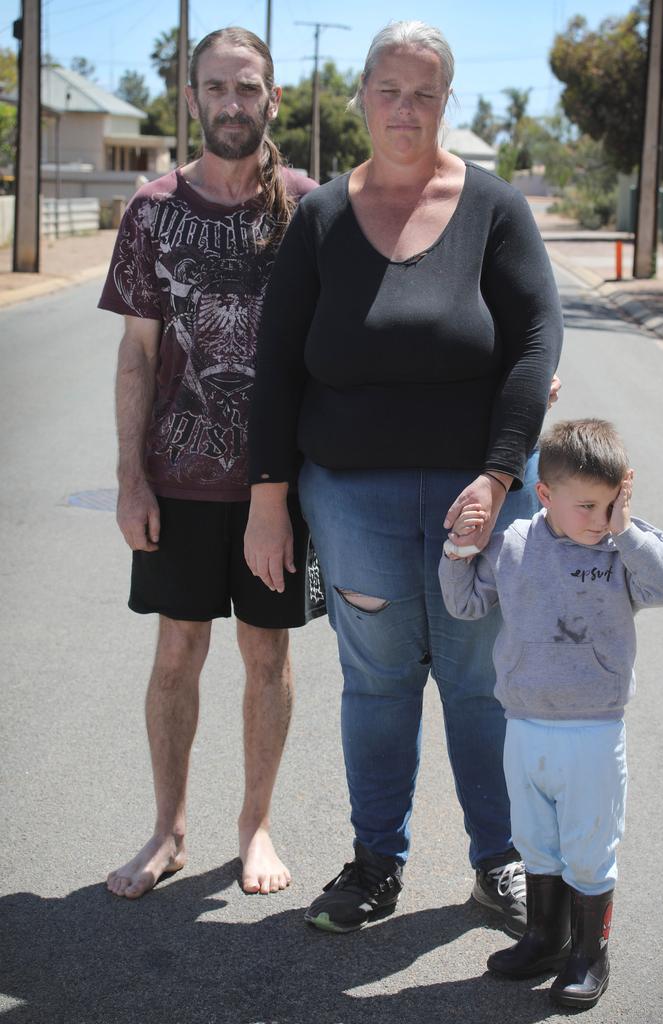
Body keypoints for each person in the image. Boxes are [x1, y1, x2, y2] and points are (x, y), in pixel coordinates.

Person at [244, 20, 563, 934]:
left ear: (446, 103)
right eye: (389, 89)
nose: (405, 108)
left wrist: (502, 476)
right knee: (378, 684)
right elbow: (277, 364)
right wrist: (269, 501)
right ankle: (375, 862)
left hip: (481, 501)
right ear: (361, 99)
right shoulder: (322, 219)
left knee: (479, 683)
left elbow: (537, 342)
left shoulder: (495, 207)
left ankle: (497, 862)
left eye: (424, 92)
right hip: (353, 500)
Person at [98, 28, 320, 899]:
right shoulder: (152, 209)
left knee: (267, 655)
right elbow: (137, 358)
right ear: (192, 99)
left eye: (249, 88)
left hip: (280, 485)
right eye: (217, 88)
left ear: (273, 99)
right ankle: (167, 829)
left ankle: (255, 824)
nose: (233, 103)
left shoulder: (307, 206)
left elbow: (366, 328)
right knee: (177, 652)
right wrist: (129, 478)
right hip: (179, 479)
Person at [439, 419, 663, 1008]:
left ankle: (589, 953)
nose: (598, 519)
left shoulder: (620, 546)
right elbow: (465, 602)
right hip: (524, 726)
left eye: (609, 504)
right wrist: (458, 551)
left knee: (589, 844)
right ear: (545, 495)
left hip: (593, 730)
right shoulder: (515, 543)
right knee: (536, 842)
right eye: (586, 506)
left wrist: (625, 530)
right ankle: (545, 937)